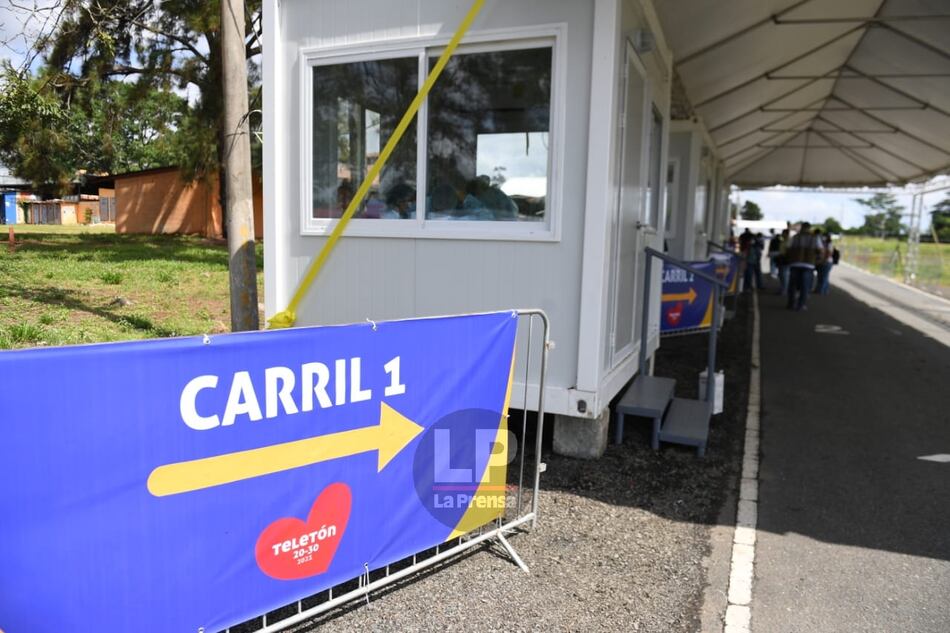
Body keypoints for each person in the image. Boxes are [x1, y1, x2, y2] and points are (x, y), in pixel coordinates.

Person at [785, 223, 824, 311]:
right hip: (809, 265)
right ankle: (801, 305)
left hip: (795, 263)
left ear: (802, 228)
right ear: (809, 228)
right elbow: (820, 250)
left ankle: (791, 304)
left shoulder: (795, 237)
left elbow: (787, 249)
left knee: (792, 285)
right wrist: (818, 260)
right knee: (805, 286)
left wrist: (789, 258)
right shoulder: (815, 238)